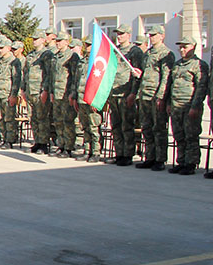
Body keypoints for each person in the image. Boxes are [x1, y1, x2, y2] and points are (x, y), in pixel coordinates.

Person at [134, 26, 175, 170]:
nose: (151, 37)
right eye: (150, 35)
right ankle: (149, 157)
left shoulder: (166, 54)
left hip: (155, 95)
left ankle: (160, 159)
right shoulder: (148, 53)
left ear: (162, 36)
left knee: (158, 128)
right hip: (144, 94)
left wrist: (161, 97)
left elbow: (166, 77)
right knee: (146, 127)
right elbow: (146, 72)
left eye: (154, 35)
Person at [167, 35, 208, 175]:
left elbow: (201, 87)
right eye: (181, 47)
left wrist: (195, 106)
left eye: (185, 46)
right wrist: (168, 103)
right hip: (176, 105)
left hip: (189, 105)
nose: (182, 49)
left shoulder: (199, 64)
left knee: (191, 135)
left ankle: (191, 163)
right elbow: (170, 85)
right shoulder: (177, 64)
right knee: (179, 135)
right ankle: (181, 161)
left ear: (193, 47)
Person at [107, 23, 144, 166]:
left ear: (129, 35)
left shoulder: (134, 52)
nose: (119, 36)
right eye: (118, 33)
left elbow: (138, 74)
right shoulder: (115, 51)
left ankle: (128, 153)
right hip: (114, 92)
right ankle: (119, 153)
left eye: (122, 34)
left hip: (125, 93)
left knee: (127, 125)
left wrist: (133, 93)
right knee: (116, 125)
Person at [23, 31, 54, 153]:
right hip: (30, 90)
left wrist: (45, 89)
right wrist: (24, 89)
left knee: (42, 118)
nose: (34, 41)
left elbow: (48, 74)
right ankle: (37, 141)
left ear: (43, 40)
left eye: (37, 39)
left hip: (39, 90)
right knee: (33, 117)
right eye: (33, 39)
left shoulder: (46, 54)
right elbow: (25, 73)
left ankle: (43, 143)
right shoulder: (30, 55)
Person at [50, 32, 79, 157]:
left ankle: (69, 147)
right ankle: (61, 145)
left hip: (66, 94)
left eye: (60, 41)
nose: (58, 43)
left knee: (68, 121)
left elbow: (75, 77)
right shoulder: (55, 57)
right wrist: (51, 91)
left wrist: (72, 93)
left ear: (67, 42)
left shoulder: (72, 56)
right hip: (56, 93)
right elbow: (52, 76)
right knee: (58, 121)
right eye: (57, 40)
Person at [73, 34, 102, 162]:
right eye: (86, 44)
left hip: (92, 99)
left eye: (90, 44)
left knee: (94, 127)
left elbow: (101, 82)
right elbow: (76, 80)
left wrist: (97, 100)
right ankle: (87, 150)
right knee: (85, 126)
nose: (87, 47)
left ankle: (95, 152)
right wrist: (74, 96)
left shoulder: (99, 61)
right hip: (81, 97)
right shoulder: (83, 60)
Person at [0, 38, 22, 149]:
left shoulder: (14, 61)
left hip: (7, 93)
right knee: (0, 118)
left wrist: (13, 95)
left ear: (8, 48)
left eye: (2, 48)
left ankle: (10, 140)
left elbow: (16, 79)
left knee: (9, 119)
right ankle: (3, 138)